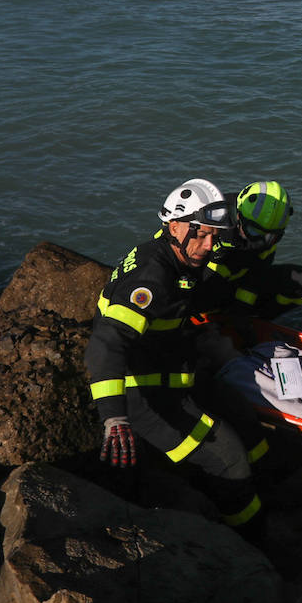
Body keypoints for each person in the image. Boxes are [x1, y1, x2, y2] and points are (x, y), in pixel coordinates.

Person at [84, 178, 271, 536]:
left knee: (247, 424)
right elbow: (106, 342)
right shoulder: (153, 278)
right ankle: (251, 537)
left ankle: (270, 488)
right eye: (200, 235)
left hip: (178, 372)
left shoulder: (172, 253)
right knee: (230, 458)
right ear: (174, 226)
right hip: (146, 396)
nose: (208, 245)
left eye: (214, 236)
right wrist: (114, 418)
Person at [197, 179, 302, 347]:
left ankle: (259, 321)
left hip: (237, 284)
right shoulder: (208, 220)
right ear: (239, 215)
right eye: (254, 231)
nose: (261, 241)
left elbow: (257, 274)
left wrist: (241, 311)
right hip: (202, 288)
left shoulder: (267, 229)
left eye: (272, 235)